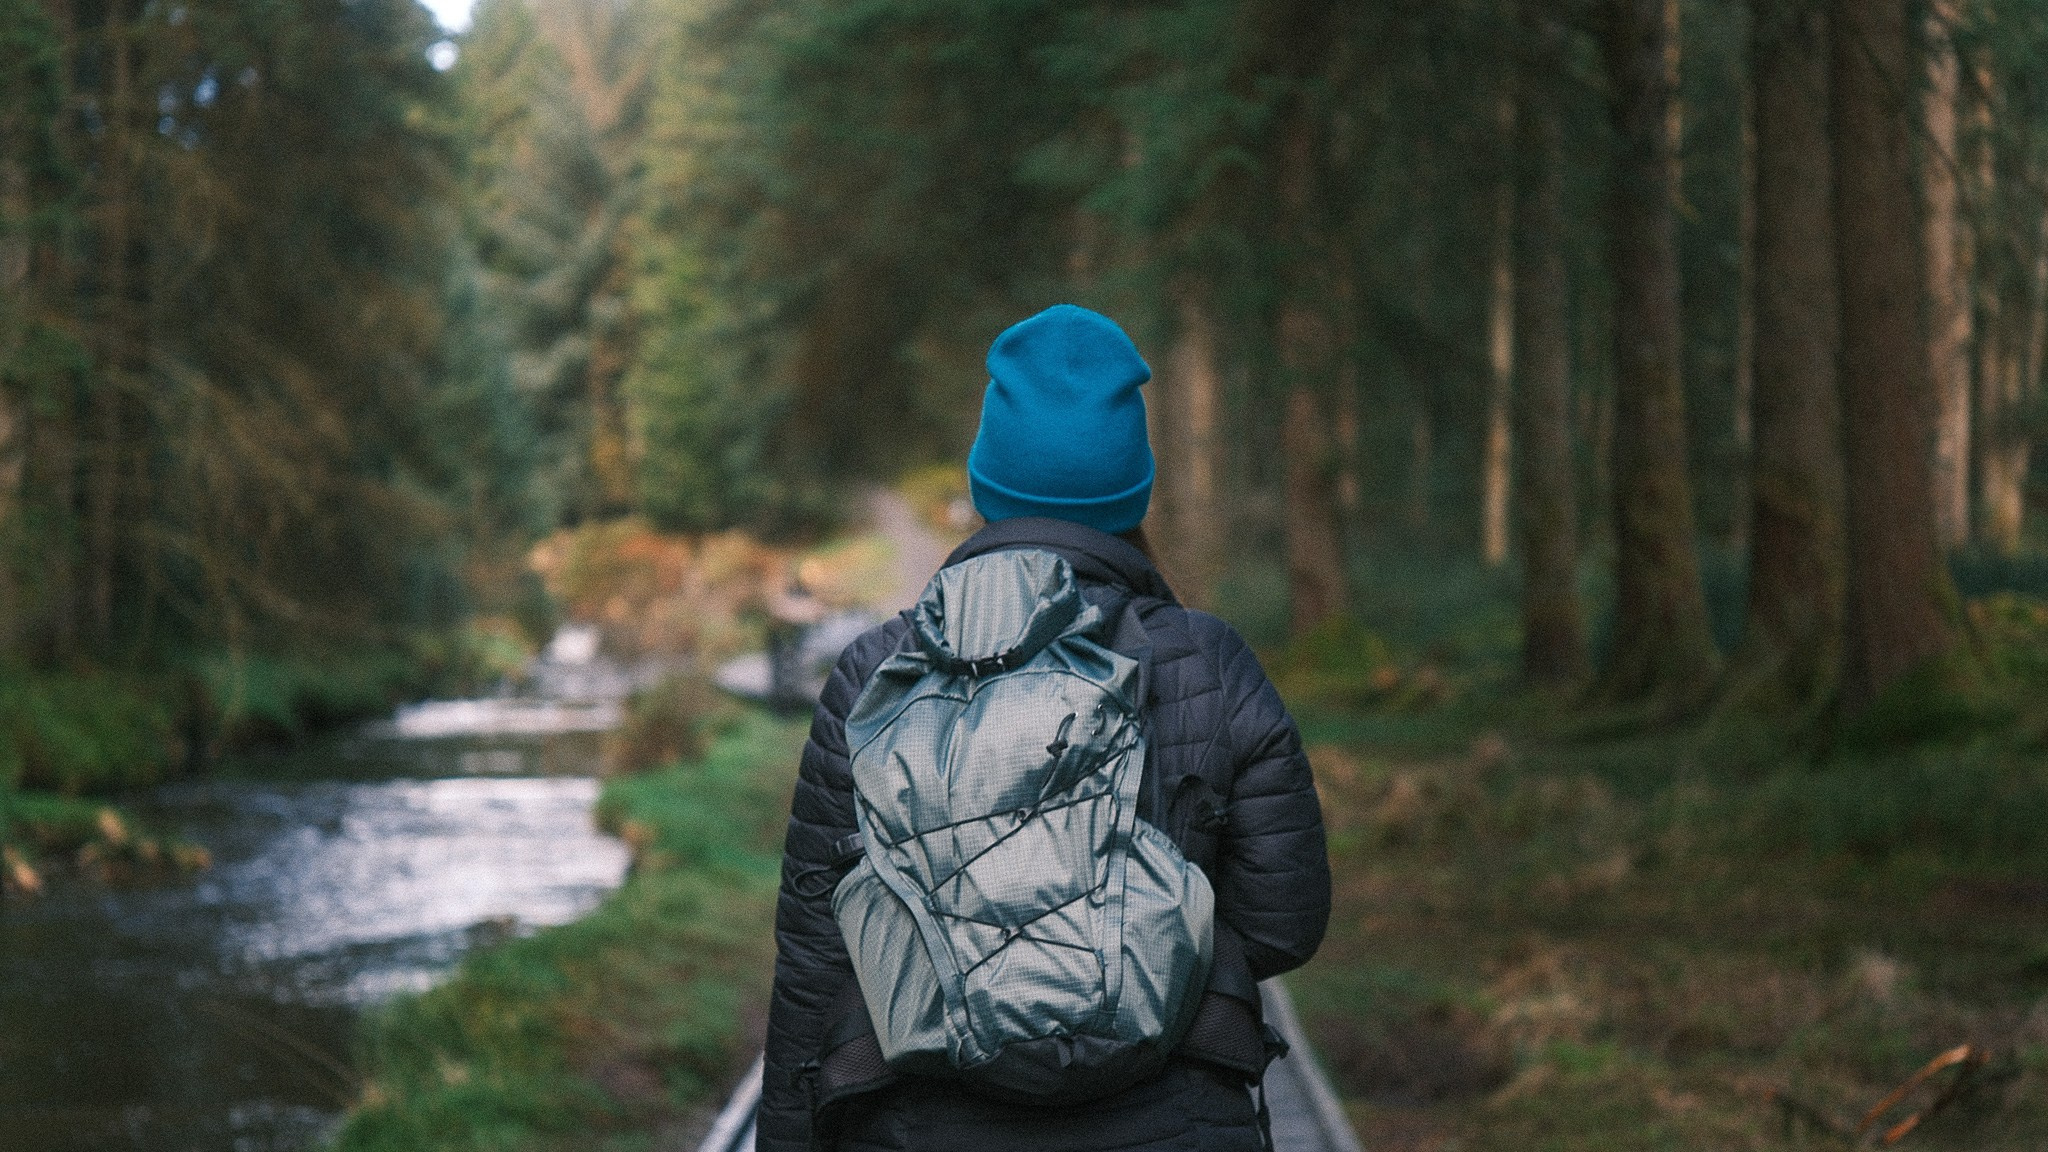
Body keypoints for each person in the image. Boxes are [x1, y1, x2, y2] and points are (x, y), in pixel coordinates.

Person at [759, 304, 1331, 1152]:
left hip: (923, 1127)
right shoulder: (1208, 662)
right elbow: (1285, 916)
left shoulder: (878, 673)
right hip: (1173, 1123)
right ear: (1132, 485)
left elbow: (816, 956)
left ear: (989, 481)